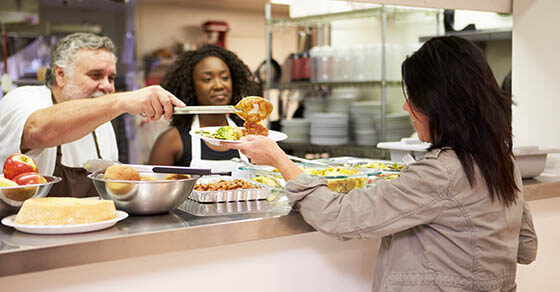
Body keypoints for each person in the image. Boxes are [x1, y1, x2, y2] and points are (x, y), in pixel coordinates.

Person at [223, 36, 538, 291]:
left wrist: (278, 158)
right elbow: (526, 248)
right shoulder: (501, 158)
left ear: (439, 105)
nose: (406, 106)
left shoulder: (441, 171)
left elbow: (339, 216)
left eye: (413, 98)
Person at [0, 33, 185, 197]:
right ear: (60, 74)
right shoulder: (22, 98)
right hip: (26, 230)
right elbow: (37, 131)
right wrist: (120, 101)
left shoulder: (103, 125)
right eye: (95, 75)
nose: (107, 86)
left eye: (111, 78)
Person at [148, 44, 261, 170]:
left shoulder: (248, 134)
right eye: (207, 79)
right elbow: (153, 187)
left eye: (224, 78)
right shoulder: (172, 140)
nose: (219, 85)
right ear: (191, 87)